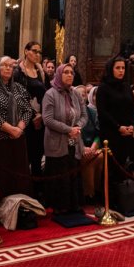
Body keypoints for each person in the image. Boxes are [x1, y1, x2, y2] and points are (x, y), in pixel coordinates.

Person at [0, 55, 35, 199]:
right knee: (3, 179)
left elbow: (28, 110)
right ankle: (4, 208)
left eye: (11, 66)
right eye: (4, 65)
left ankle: (20, 206)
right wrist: (10, 129)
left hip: (18, 140)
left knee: (20, 178)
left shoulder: (18, 88)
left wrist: (19, 128)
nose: (8, 68)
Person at [42, 62, 87, 215]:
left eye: (71, 73)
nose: (69, 75)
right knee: (60, 174)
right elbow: (48, 119)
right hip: (56, 142)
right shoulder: (50, 94)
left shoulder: (76, 94)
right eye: (66, 72)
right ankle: (60, 207)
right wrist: (69, 130)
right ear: (59, 75)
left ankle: (74, 205)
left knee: (73, 173)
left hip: (74, 141)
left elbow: (84, 115)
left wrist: (77, 127)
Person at [14, 41, 47, 176]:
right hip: (24, 119)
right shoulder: (18, 73)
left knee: (37, 157)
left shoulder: (41, 72)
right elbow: (17, 97)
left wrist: (42, 114)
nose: (37, 54)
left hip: (40, 120)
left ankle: (37, 185)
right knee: (25, 156)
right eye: (34, 51)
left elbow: (47, 96)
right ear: (26, 51)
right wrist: (33, 115)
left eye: (39, 52)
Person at [96, 56, 134, 166]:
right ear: (111, 69)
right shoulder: (103, 88)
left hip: (127, 132)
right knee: (111, 166)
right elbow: (102, 112)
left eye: (123, 68)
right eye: (118, 68)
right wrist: (118, 127)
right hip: (111, 133)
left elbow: (133, 108)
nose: (121, 71)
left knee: (123, 164)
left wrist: (132, 125)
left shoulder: (126, 86)